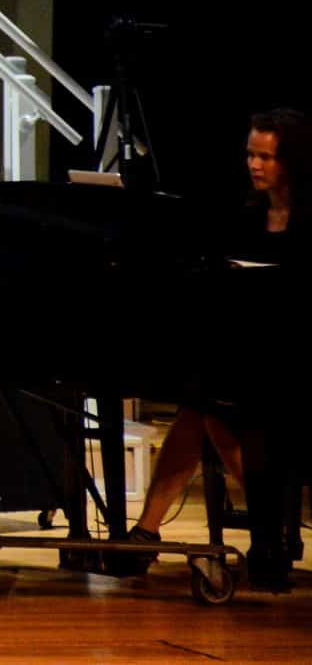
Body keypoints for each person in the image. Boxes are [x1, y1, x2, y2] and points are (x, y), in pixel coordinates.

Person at [128, 110, 303, 592]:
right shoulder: (247, 216)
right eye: (251, 154)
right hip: (251, 352)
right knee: (199, 402)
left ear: (291, 161)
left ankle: (266, 528)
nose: (255, 164)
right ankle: (263, 532)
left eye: (266, 156)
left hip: (293, 360)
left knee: (206, 404)